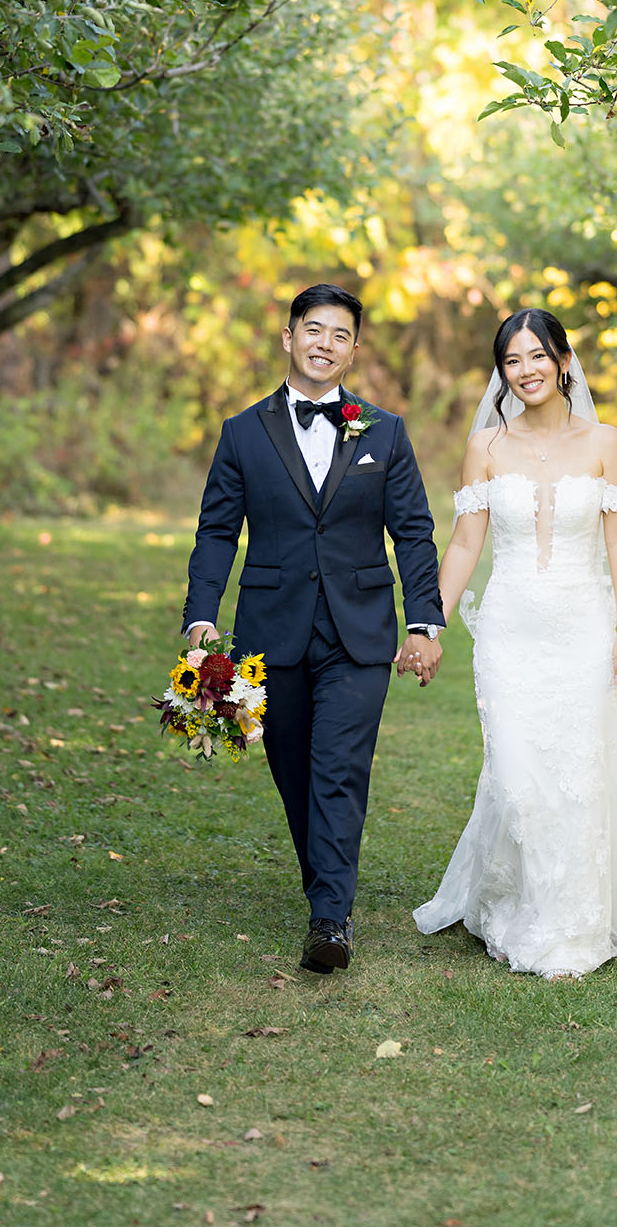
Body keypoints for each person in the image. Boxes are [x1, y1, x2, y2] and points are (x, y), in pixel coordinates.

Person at [182, 284, 444, 973]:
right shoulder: (243, 431)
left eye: (340, 335)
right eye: (314, 330)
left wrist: (423, 623)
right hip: (272, 630)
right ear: (289, 336)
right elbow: (216, 531)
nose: (325, 344)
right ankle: (323, 882)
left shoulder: (383, 431)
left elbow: (413, 533)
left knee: (339, 770)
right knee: (294, 770)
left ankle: (330, 919)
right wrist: (202, 619)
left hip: (360, 633)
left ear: (355, 349)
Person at [413, 308, 617, 978]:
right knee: (520, 779)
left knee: (580, 774)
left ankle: (570, 929)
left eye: (536, 357)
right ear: (501, 373)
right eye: (511, 361)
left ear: (563, 361)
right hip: (509, 629)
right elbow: (467, 540)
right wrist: (429, 621)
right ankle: (517, 906)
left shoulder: (606, 441)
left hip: (585, 627)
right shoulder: (488, 448)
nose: (525, 371)